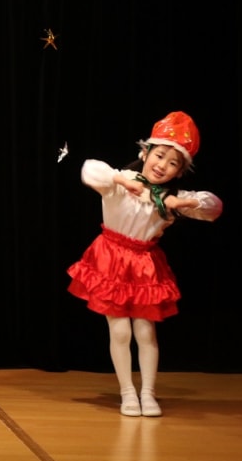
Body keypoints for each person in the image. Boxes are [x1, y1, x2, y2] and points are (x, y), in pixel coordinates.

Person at [67, 111, 222, 417]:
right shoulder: (120, 182)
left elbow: (214, 207)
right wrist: (119, 179)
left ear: (179, 171)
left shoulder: (170, 199)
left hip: (144, 265)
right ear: (145, 153)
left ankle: (148, 393)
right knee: (120, 332)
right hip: (111, 258)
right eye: (159, 156)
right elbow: (89, 169)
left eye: (173, 163)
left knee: (145, 331)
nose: (162, 165)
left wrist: (185, 202)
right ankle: (127, 393)